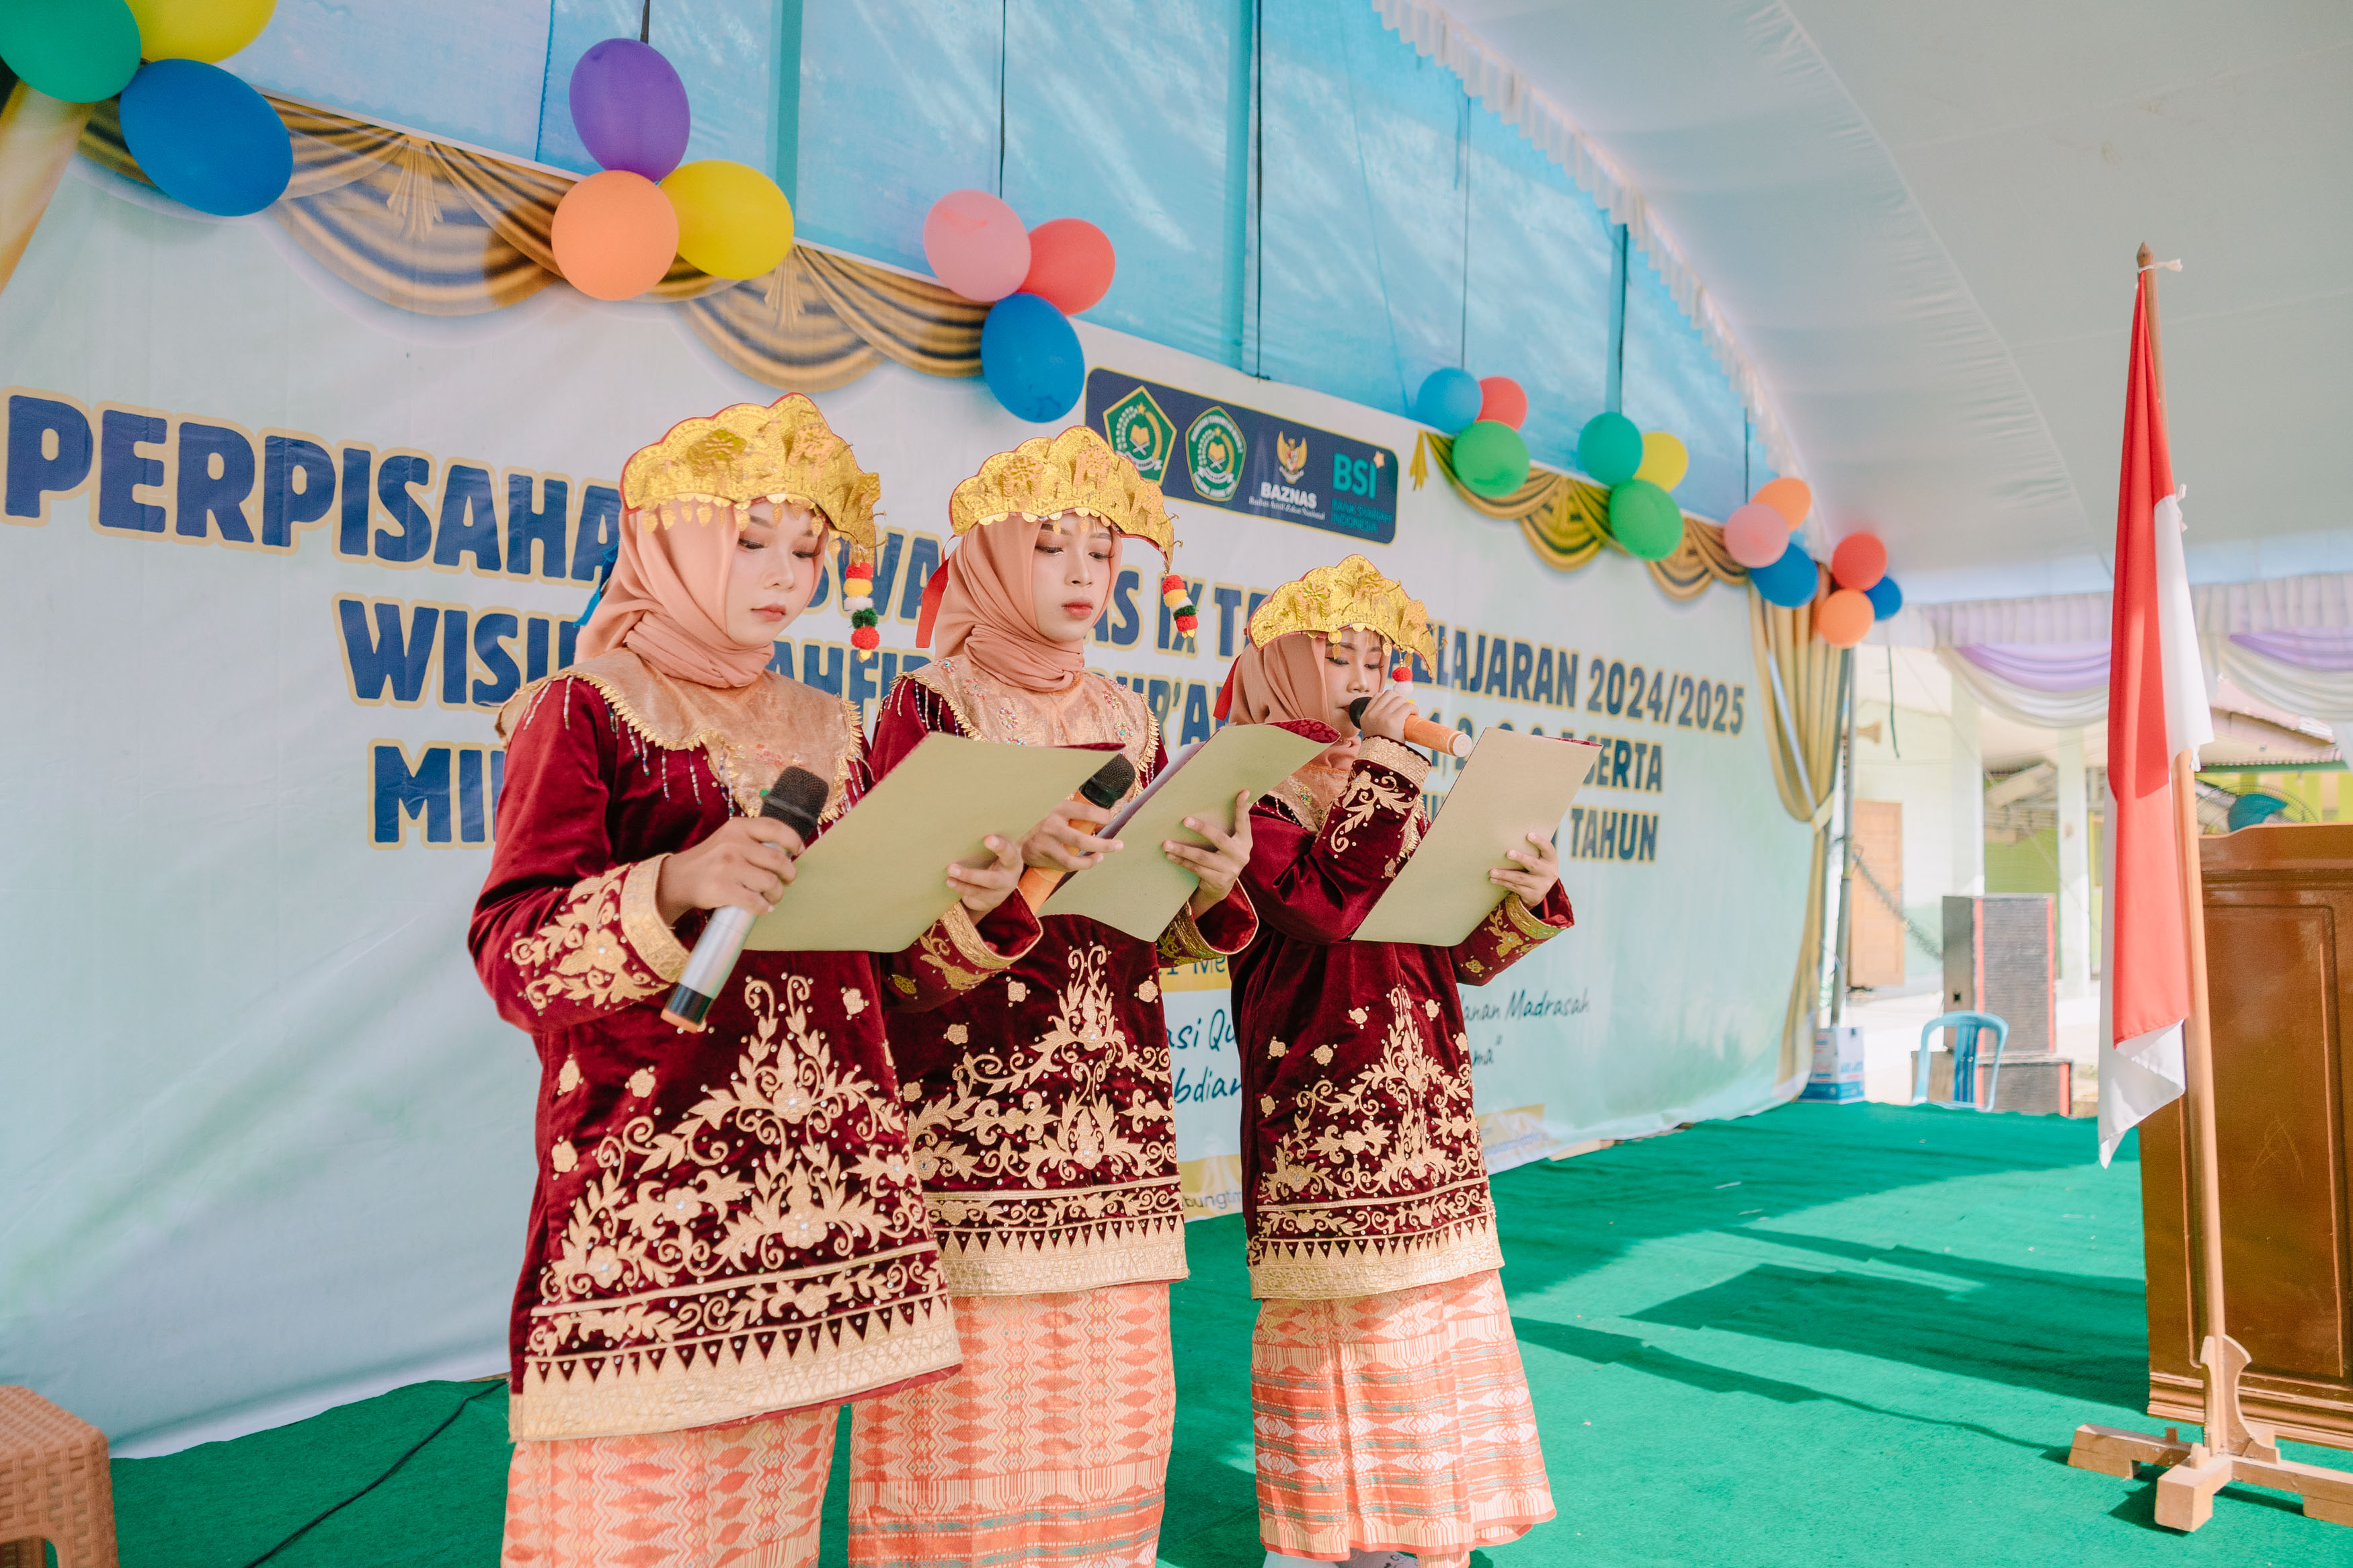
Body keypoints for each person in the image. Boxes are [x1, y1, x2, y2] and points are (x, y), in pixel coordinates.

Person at [470, 395, 1041, 1568]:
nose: (785, 575)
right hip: (655, 1206)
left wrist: (981, 900)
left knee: (770, 1524)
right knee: (637, 1525)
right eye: (752, 540)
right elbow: (515, 948)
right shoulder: (586, 710)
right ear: (667, 541)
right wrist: (674, 882)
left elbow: (886, 973)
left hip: (824, 1204)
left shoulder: (838, 728)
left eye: (808, 549)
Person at [848, 426, 1259, 1567]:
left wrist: (1208, 883)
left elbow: (1156, 928)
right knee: (968, 1434)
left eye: (1105, 557)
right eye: (1053, 550)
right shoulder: (928, 708)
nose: (1085, 577)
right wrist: (1014, 859)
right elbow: (883, 932)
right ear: (985, 560)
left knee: (1110, 1434)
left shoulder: (1133, 717)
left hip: (1118, 1127)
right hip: (973, 1128)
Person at [1217, 555, 1571, 1568]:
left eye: (1378, 655)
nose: (1366, 672)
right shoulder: (1247, 778)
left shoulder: (1392, 781)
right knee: (1346, 1327)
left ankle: (1426, 1527)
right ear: (1281, 662)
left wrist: (1523, 889)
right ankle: (1330, 1540)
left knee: (1432, 1318)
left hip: (1428, 1099)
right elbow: (1320, 906)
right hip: (1319, 1101)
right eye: (1339, 655)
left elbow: (1456, 948)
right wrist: (1390, 765)